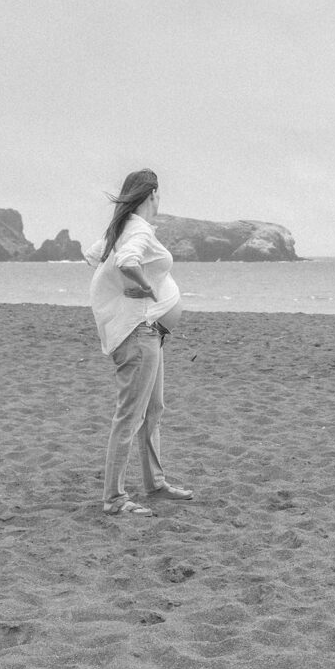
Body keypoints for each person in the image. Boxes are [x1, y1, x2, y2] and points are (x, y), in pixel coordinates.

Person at [84, 168, 193, 515]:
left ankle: (155, 483)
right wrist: (143, 288)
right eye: (159, 195)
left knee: (154, 410)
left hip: (151, 333)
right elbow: (127, 260)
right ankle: (114, 499)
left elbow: (93, 256)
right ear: (153, 195)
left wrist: (119, 287)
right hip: (138, 333)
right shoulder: (138, 228)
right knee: (129, 416)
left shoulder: (123, 227)